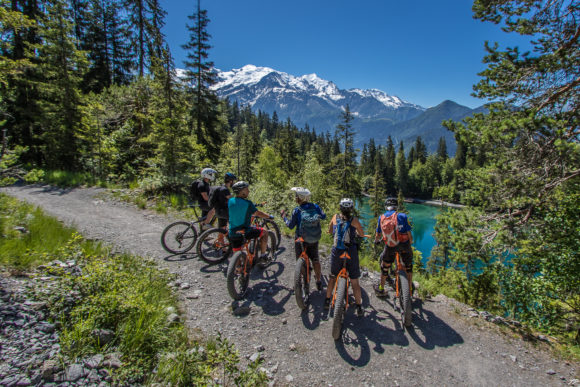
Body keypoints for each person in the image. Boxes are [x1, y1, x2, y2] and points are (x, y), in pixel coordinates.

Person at [324, 198, 365, 317]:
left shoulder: (335, 217)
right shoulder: (354, 221)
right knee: (355, 281)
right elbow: (361, 234)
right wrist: (357, 234)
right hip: (350, 252)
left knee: (332, 276)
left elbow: (330, 230)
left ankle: (327, 300)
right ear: (351, 209)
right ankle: (359, 307)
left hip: (337, 251)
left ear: (340, 208)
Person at [281, 187, 326, 291]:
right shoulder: (315, 206)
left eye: (296, 196)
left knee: (300, 259)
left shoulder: (297, 210)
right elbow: (323, 216)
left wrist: (284, 217)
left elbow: (291, 226)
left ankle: (302, 280)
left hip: (301, 240)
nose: (295, 198)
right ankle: (318, 281)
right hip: (314, 238)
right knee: (315, 259)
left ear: (299, 198)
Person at [373, 197, 414, 297]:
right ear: (396, 206)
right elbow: (409, 233)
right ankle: (410, 289)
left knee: (385, 266)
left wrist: (377, 241)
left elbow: (378, 234)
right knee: (408, 267)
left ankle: (381, 288)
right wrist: (411, 242)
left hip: (390, 246)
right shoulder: (403, 216)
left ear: (386, 207)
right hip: (404, 245)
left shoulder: (381, 218)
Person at [228, 181, 275, 263]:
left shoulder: (230, 201)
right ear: (241, 191)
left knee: (237, 253)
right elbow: (258, 213)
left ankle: (238, 269)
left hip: (232, 232)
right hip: (245, 231)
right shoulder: (248, 203)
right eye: (246, 189)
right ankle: (263, 256)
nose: (248, 191)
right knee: (264, 232)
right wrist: (269, 216)